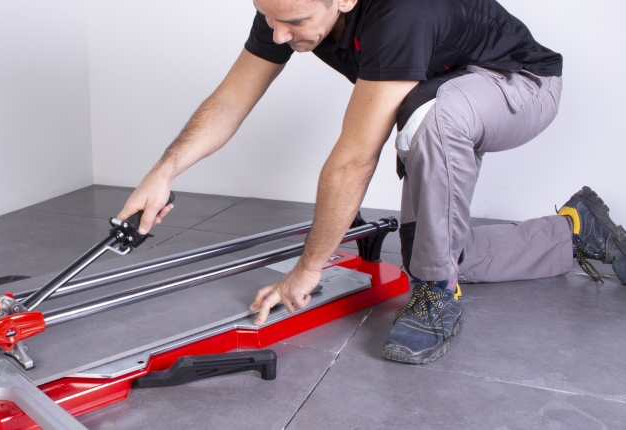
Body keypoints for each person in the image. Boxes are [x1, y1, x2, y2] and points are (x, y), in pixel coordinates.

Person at [116, 0, 626, 364]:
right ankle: (574, 230)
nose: (278, 34)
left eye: (294, 22)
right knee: (436, 246)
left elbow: (355, 160)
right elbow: (230, 100)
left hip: (521, 85)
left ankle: (435, 293)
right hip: (444, 93)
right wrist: (163, 171)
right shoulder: (284, 8)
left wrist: (307, 268)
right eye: (268, 17)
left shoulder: (402, 12)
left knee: (430, 116)